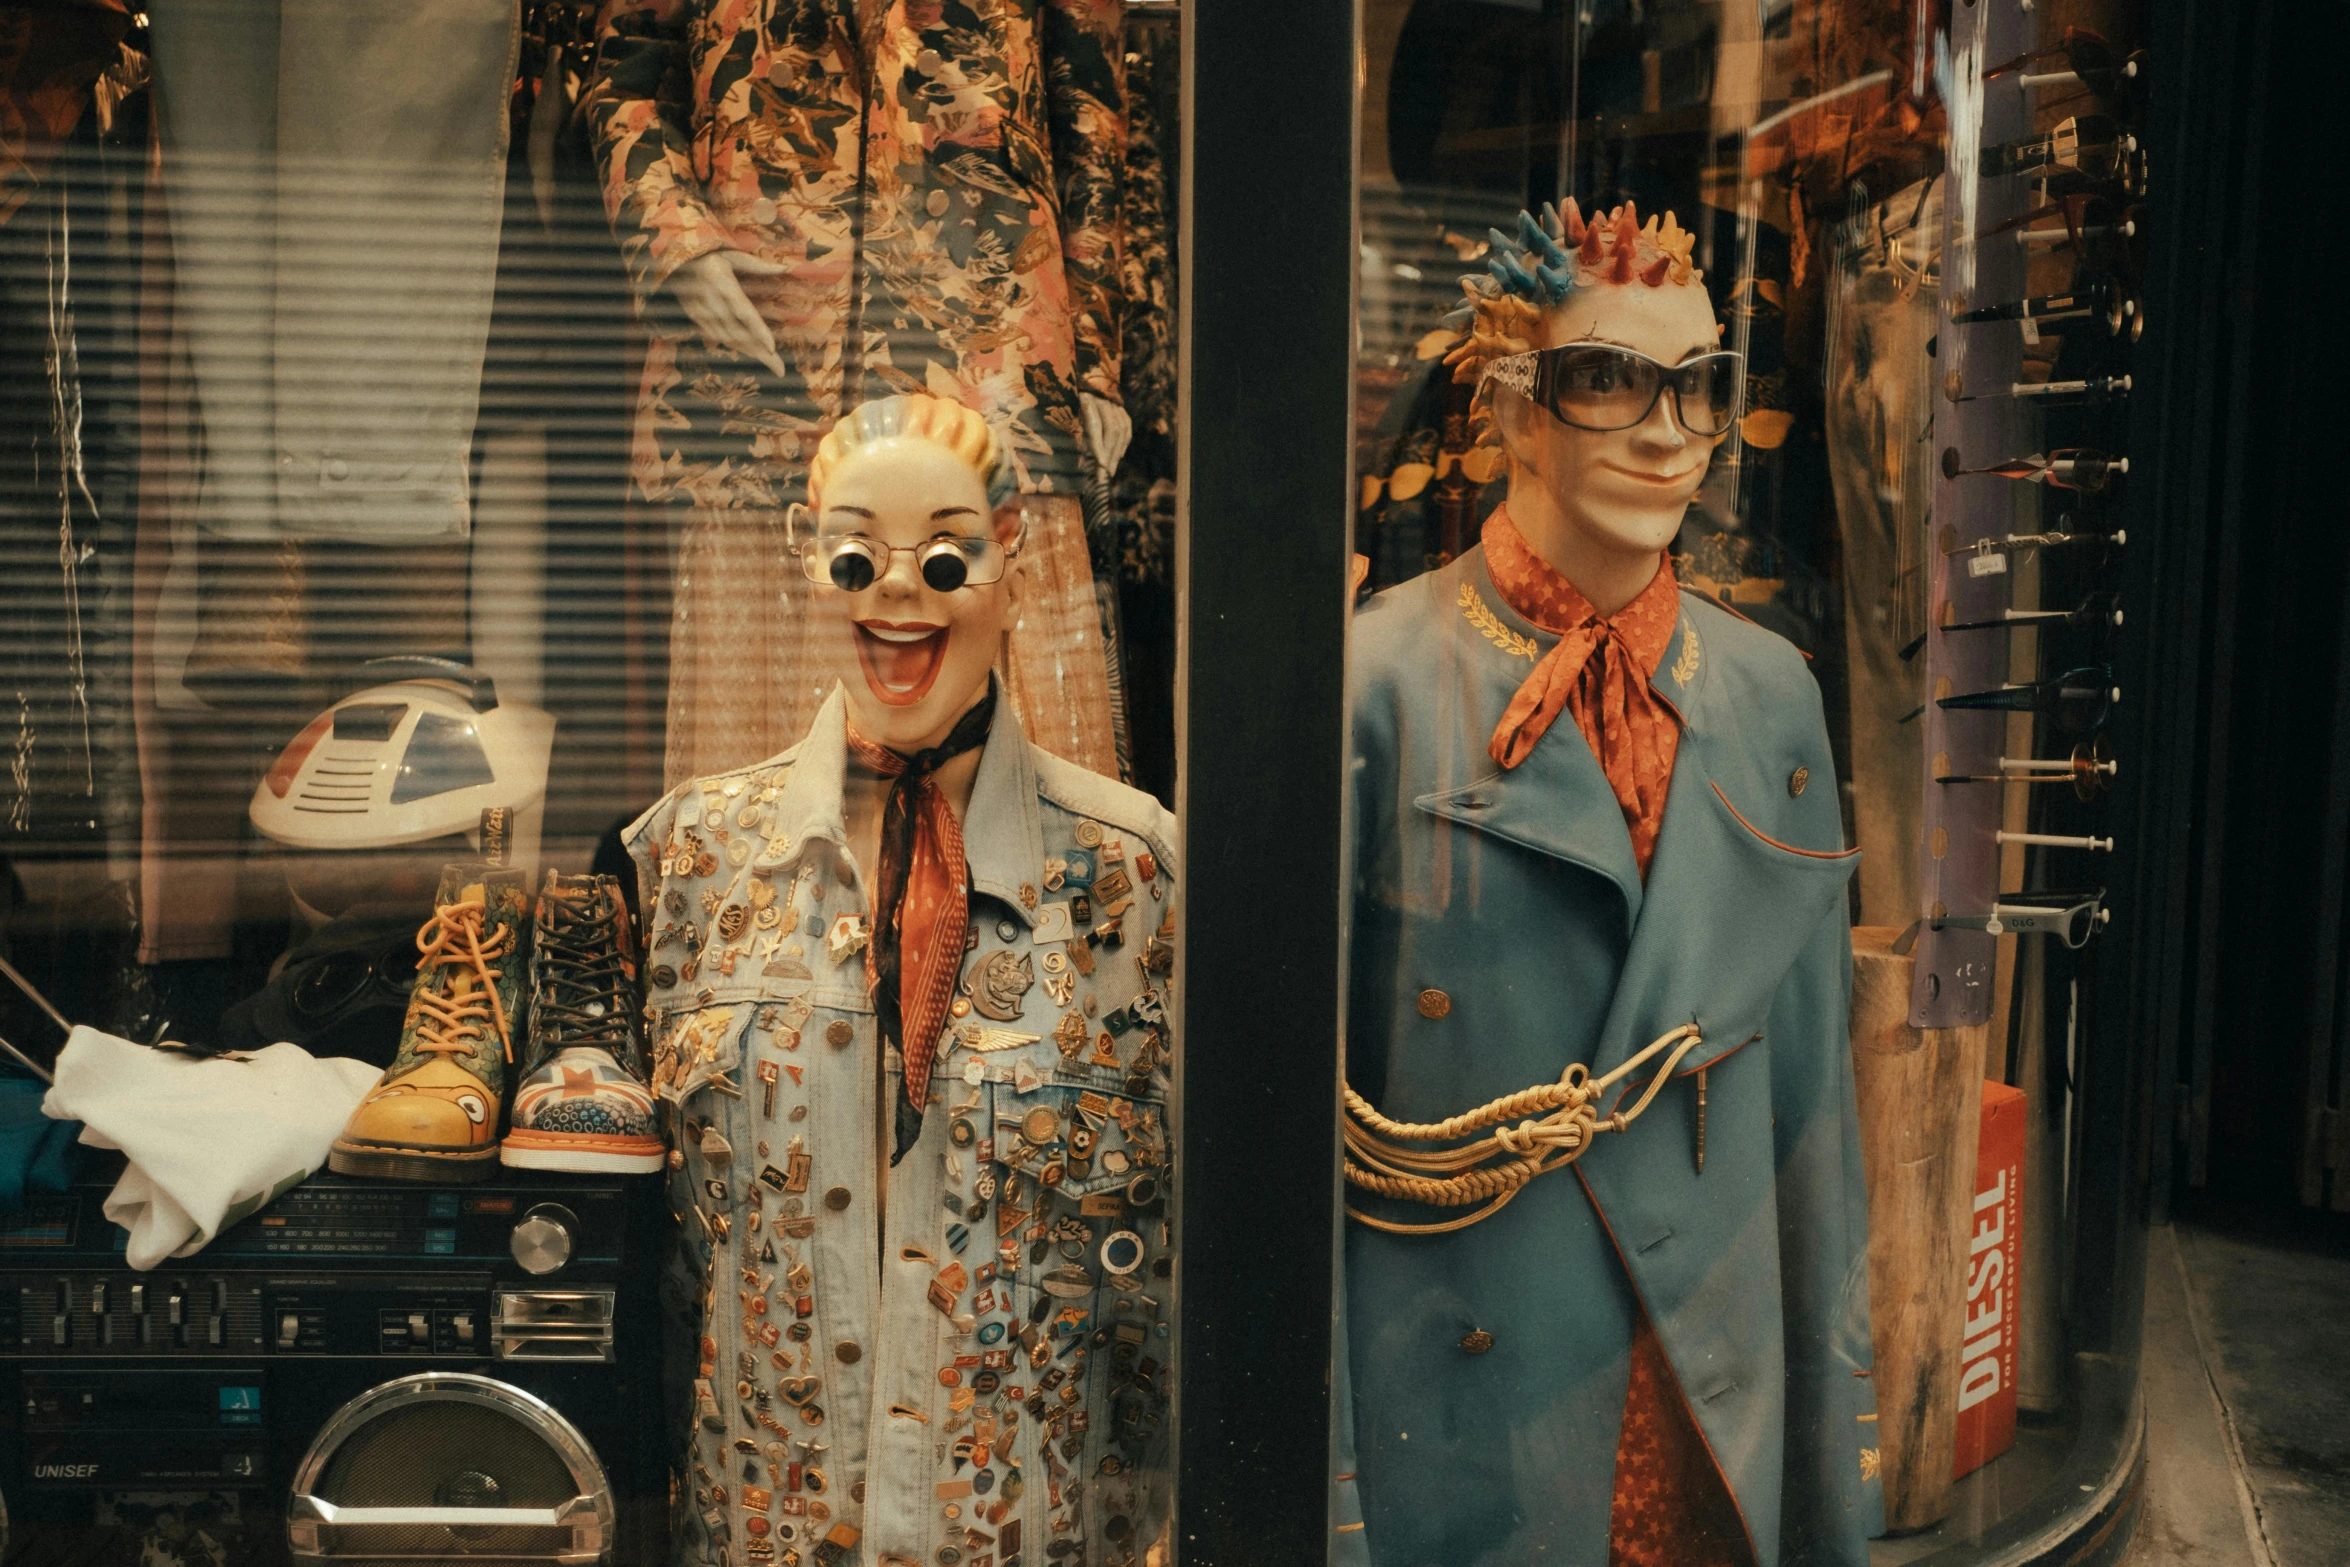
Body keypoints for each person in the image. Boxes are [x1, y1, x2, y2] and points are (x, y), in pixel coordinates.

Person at [1336, 203, 1882, 1566]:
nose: (1662, 430)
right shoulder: (1378, 679)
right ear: (1514, 407)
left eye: (1697, 384)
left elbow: (1808, 1129)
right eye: (1604, 379)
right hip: (1468, 1379)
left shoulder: (1767, 695)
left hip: (1704, 1360)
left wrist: (1827, 1478)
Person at [627, 394, 1176, 1567]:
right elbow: (666, 1293)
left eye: (943, 552)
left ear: (1012, 553)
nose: (897, 593)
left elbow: (1169, 1312)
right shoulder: (688, 861)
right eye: (854, 551)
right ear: (802, 556)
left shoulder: (1138, 876)